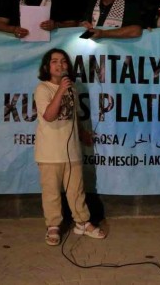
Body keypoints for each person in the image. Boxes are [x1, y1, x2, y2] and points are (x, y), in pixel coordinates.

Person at [33, 48, 106, 245]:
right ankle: (53, 226)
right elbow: (49, 116)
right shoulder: (43, 88)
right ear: (47, 67)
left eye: (63, 61)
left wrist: (83, 134)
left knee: (76, 191)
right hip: (49, 152)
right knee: (51, 193)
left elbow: (73, 117)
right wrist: (60, 91)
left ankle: (82, 222)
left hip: (72, 150)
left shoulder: (72, 88)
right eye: (55, 61)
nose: (60, 65)